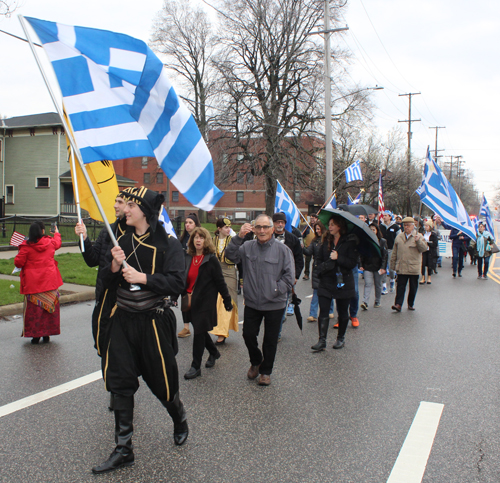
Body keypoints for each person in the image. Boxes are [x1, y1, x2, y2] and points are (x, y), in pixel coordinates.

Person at [92, 187, 188, 474]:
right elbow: (107, 281)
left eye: (131, 205)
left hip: (152, 323)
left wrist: (143, 277)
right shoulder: (119, 238)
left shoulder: (167, 244)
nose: (126, 209)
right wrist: (113, 264)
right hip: (122, 320)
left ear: (144, 210)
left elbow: (176, 283)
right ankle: (124, 449)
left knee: (162, 384)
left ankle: (178, 416)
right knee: (119, 382)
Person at [225, 214, 294, 386]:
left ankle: (265, 372)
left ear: (272, 229)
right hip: (252, 302)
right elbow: (230, 256)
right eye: (258, 227)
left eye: (265, 227)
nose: (262, 230)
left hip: (274, 303)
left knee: (270, 340)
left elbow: (289, 276)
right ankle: (256, 361)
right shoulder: (247, 247)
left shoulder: (283, 250)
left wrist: (276, 290)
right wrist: (239, 237)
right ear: (254, 229)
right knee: (248, 335)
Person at [74, 191, 130, 355]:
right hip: (104, 297)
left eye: (120, 202)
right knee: (103, 345)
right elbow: (92, 260)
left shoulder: (135, 234)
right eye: (115, 201)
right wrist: (83, 238)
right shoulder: (108, 230)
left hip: (124, 302)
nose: (115, 205)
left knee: (121, 352)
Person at [182, 227, 233, 380]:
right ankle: (214, 352)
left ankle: (195, 366)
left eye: (201, 237)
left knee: (198, 333)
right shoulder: (188, 257)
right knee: (201, 330)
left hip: (205, 302)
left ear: (206, 240)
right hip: (189, 300)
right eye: (195, 237)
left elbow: (220, 282)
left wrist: (227, 299)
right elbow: (182, 278)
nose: (198, 240)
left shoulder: (211, 260)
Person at [311, 214, 359, 351]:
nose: (329, 227)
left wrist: (338, 258)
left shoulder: (350, 242)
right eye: (329, 224)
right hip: (326, 281)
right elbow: (318, 259)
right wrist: (321, 269)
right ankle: (322, 340)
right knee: (324, 311)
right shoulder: (326, 241)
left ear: (340, 226)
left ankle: (340, 338)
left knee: (343, 311)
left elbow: (352, 263)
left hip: (343, 282)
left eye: (333, 224)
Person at [14, 221, 63, 344]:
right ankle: (47, 334)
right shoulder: (50, 242)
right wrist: (57, 233)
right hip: (50, 281)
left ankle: (35, 336)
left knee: (34, 312)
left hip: (33, 284)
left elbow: (18, 263)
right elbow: (58, 243)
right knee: (49, 310)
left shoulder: (26, 247)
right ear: (42, 231)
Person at [272, 212, 303, 335]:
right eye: (277, 222)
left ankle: (277, 332)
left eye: (282, 222)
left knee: (282, 304)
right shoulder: (267, 237)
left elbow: (299, 259)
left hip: (286, 276)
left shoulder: (293, 239)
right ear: (273, 223)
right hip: (270, 276)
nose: (280, 224)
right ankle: (276, 323)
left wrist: (295, 276)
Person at [210, 218, 239, 344]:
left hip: (229, 271)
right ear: (219, 228)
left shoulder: (233, 241)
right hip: (216, 272)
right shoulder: (212, 240)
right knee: (217, 301)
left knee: (228, 299)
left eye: (229, 227)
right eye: (226, 227)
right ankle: (220, 330)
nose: (228, 230)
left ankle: (222, 331)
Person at [390, 217, 428, 312]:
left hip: (413, 267)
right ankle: (398, 304)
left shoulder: (418, 236)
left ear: (413, 226)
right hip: (402, 266)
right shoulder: (399, 237)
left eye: (408, 225)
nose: (406, 227)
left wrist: (418, 241)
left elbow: (424, 249)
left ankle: (411, 303)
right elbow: (394, 252)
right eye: (404, 225)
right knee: (400, 286)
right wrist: (392, 265)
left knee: (413, 287)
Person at [303, 221, 334, 322]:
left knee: (329, 290)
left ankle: (330, 310)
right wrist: (302, 247)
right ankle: (313, 314)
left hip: (328, 268)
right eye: (316, 229)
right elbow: (308, 252)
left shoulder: (329, 240)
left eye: (319, 228)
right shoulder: (314, 241)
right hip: (317, 268)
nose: (317, 231)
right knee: (316, 291)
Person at [178, 212, 201, 338]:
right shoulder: (182, 239)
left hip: (196, 272)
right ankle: (186, 327)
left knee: (196, 300)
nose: (187, 225)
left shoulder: (199, 238)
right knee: (185, 300)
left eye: (190, 222)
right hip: (184, 272)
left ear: (196, 224)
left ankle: (198, 326)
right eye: (186, 223)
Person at [359, 224, 388, 310]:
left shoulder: (382, 241)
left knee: (378, 284)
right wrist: (361, 264)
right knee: (368, 283)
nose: (372, 231)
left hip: (378, 266)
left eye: (374, 230)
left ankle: (377, 300)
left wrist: (383, 267)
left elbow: (385, 256)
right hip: (368, 265)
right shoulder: (366, 241)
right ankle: (365, 302)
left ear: (377, 231)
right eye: (370, 229)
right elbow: (362, 254)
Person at [380, 210, 400, 294]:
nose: (384, 217)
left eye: (386, 215)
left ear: (390, 217)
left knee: (391, 268)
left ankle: (392, 279)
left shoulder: (395, 227)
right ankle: (384, 285)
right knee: (383, 268)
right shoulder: (381, 226)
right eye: (383, 215)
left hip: (392, 249)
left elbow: (399, 238)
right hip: (383, 249)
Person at [420, 220, 439, 284]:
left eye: (427, 226)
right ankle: (423, 277)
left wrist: (428, 243)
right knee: (423, 264)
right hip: (424, 250)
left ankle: (429, 277)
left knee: (429, 264)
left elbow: (435, 244)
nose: (425, 227)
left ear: (430, 227)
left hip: (430, 251)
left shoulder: (433, 235)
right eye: (425, 225)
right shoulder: (423, 234)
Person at [303, 213, 318, 281]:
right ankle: (306, 274)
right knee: (307, 261)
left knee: (316, 261)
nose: (312, 220)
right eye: (311, 218)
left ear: (316, 219)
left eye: (313, 218)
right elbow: (303, 235)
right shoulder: (307, 227)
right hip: (308, 246)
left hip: (316, 246)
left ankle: (316, 274)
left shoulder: (318, 227)